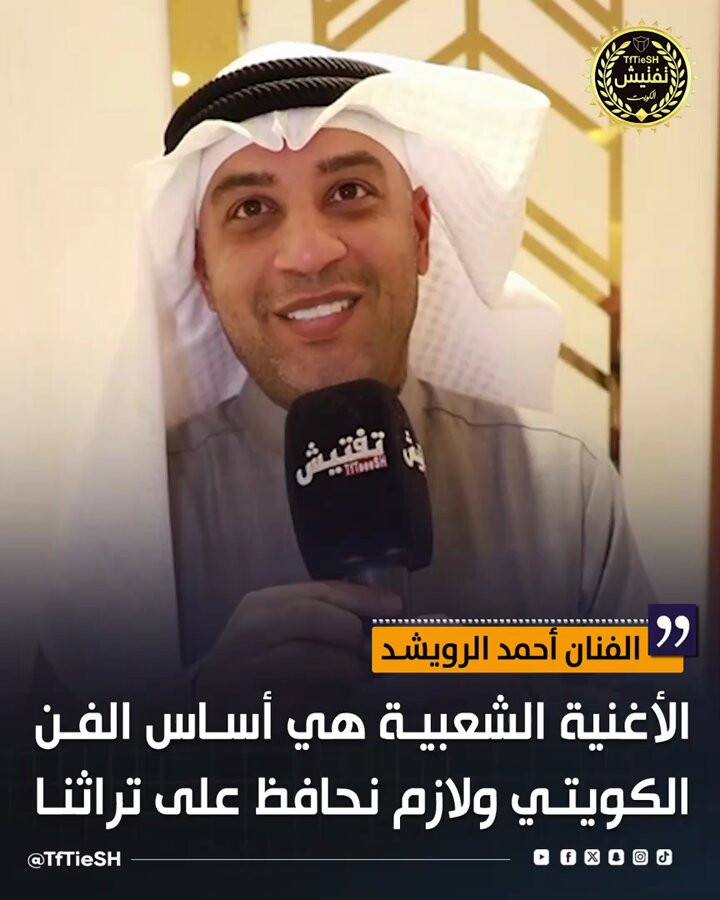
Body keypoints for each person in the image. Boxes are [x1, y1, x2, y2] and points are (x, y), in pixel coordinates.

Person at [40, 42, 654, 699]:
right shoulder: (136, 518)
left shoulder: (568, 491)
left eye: (348, 193)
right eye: (252, 209)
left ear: (419, 231)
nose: (308, 253)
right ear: (204, 274)